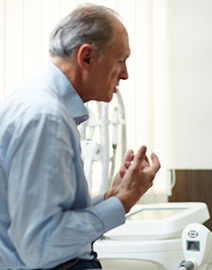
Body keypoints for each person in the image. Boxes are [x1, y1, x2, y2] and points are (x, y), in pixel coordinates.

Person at [0, 4, 160, 270]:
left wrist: (113, 195)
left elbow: (52, 215)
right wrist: (125, 200)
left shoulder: (32, 99)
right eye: (120, 60)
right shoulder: (46, 116)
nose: (125, 74)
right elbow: (41, 244)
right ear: (86, 57)